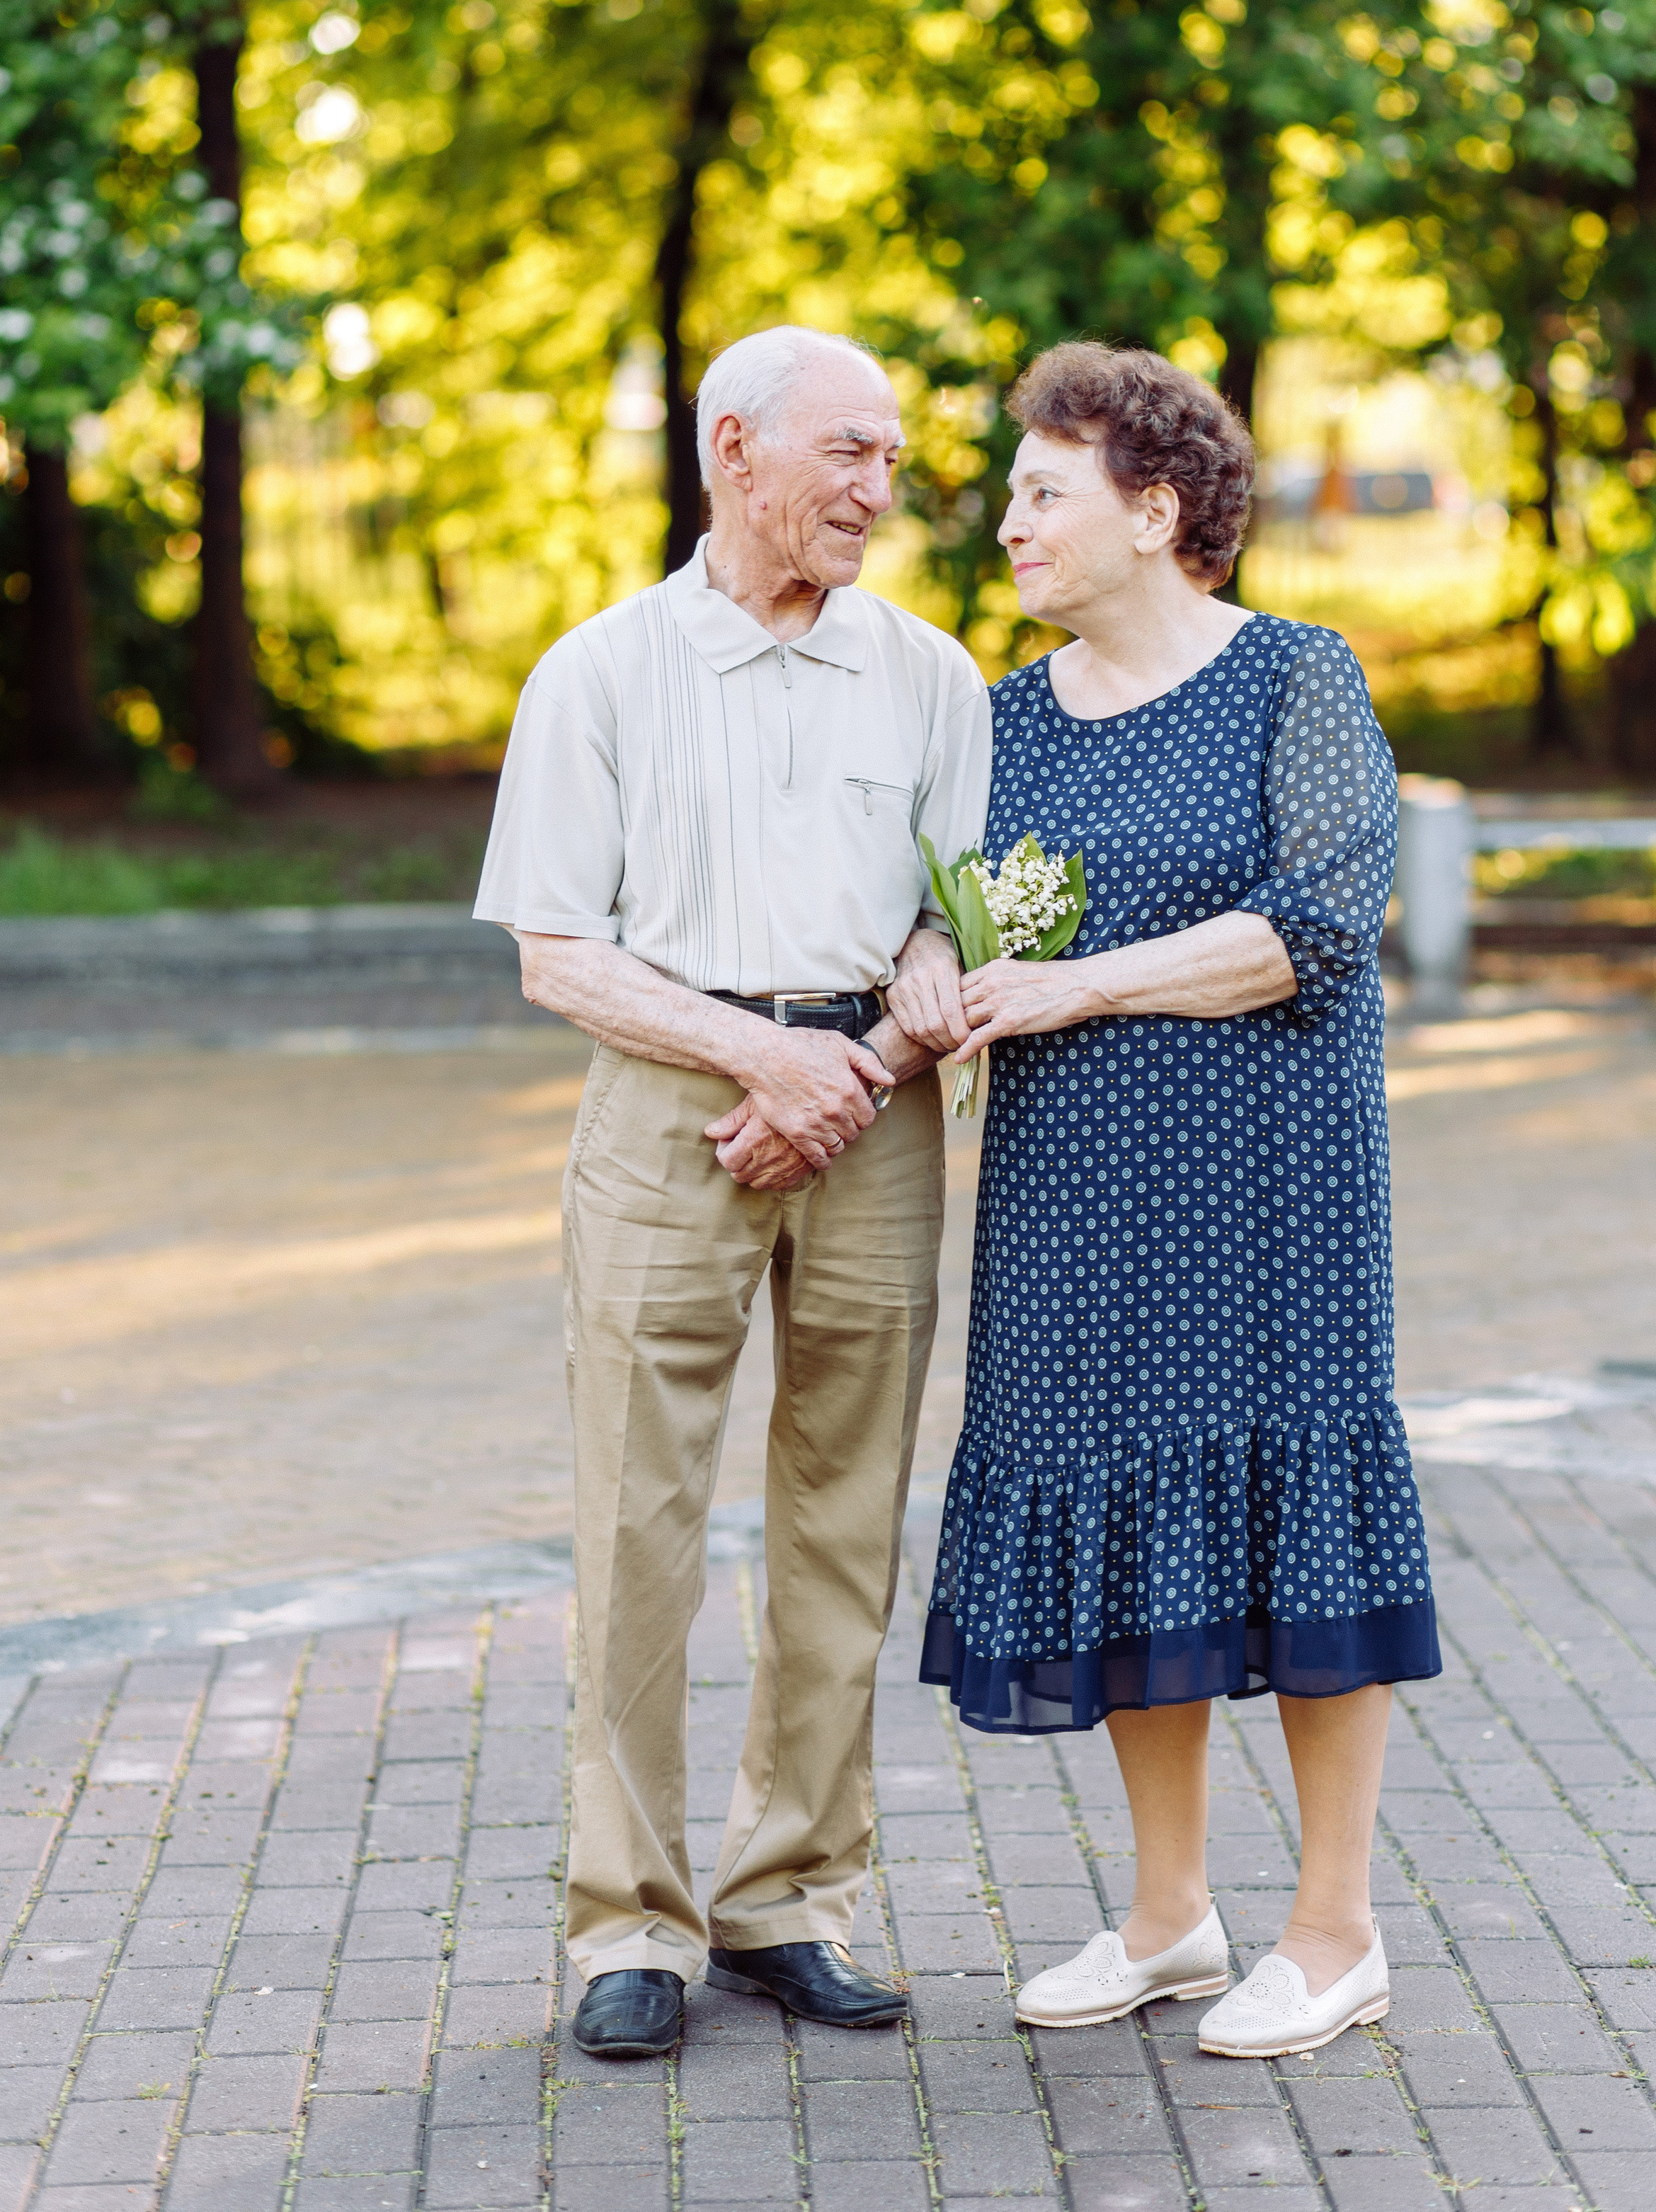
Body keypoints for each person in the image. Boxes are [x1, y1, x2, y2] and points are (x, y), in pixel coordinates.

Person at [920, 341, 1439, 2061]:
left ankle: (1334, 1926)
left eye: (1039, 493)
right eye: (1010, 495)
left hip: (1268, 1191)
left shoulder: (1295, 678)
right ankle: (1166, 1917)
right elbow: (937, 912)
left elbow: (1312, 924)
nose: (1008, 525)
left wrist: (1071, 986)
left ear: (1152, 511)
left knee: (1295, 1506)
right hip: (1072, 1193)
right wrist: (933, 971)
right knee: (1134, 1514)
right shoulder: (1000, 719)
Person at [475, 325, 981, 2062]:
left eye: (894, 457)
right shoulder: (599, 673)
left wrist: (853, 1067)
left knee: (846, 1524)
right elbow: (557, 953)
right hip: (666, 1117)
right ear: (734, 447)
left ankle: (794, 1901)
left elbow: (952, 928)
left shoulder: (931, 675)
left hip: (875, 1116)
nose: (877, 488)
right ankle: (629, 1924)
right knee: (636, 1525)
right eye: (848, 452)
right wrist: (757, 1064)